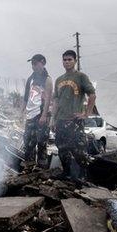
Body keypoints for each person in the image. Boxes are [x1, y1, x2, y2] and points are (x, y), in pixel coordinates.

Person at [51, 50, 96, 179]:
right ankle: (66, 174)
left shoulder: (81, 77)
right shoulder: (59, 79)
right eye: (64, 60)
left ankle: (83, 177)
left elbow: (92, 95)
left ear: (75, 61)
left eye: (70, 59)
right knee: (62, 149)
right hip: (60, 120)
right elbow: (56, 100)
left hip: (74, 120)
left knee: (79, 151)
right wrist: (53, 119)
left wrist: (86, 114)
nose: (67, 62)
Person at [22, 54, 53, 169]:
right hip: (30, 115)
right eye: (32, 64)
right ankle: (28, 168)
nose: (33, 66)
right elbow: (26, 97)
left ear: (43, 62)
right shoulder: (30, 79)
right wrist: (21, 112)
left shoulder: (47, 79)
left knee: (41, 143)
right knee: (28, 142)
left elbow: (48, 99)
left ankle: (41, 169)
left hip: (41, 114)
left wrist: (44, 116)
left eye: (35, 63)